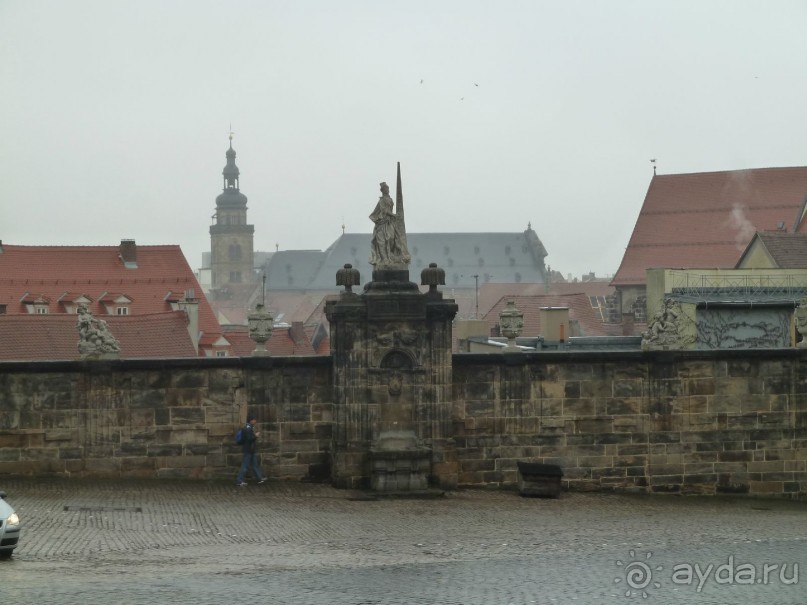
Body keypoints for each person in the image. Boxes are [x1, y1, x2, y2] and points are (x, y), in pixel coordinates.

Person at [369, 181, 410, 268]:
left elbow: (389, 210)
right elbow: (384, 210)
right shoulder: (381, 200)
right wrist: (394, 215)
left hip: (389, 222)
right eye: (385, 188)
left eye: (387, 188)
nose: (387, 190)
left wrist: (393, 216)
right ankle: (385, 260)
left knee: (391, 238)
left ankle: (391, 256)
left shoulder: (390, 199)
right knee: (381, 242)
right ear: (382, 190)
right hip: (381, 223)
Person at [236, 416, 266, 486]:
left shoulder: (249, 428)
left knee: (255, 465)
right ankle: (239, 480)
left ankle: (259, 478)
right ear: (251, 420)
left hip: (250, 450)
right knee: (245, 466)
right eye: (254, 420)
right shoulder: (247, 428)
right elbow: (249, 438)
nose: (255, 421)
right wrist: (255, 436)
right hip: (248, 450)